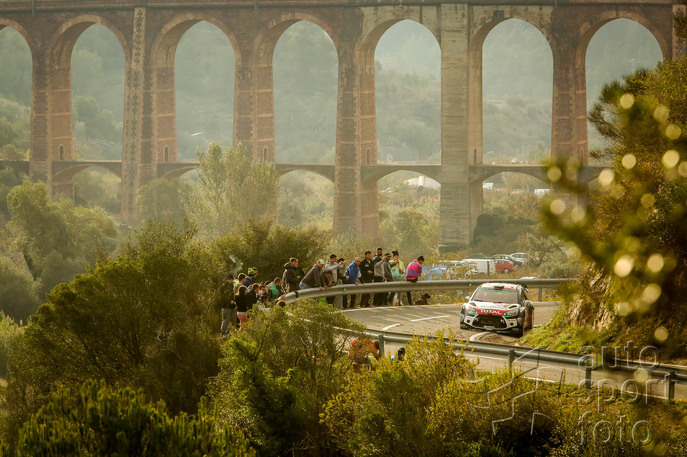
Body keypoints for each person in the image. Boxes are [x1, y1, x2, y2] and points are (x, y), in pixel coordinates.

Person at [219, 274, 237, 338]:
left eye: (232, 279)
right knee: (226, 319)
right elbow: (222, 297)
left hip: (232, 306)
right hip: (226, 306)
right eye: (230, 279)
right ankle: (223, 333)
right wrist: (229, 301)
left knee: (231, 320)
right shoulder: (224, 286)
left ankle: (228, 332)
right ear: (227, 279)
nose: (231, 280)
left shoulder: (233, 286)